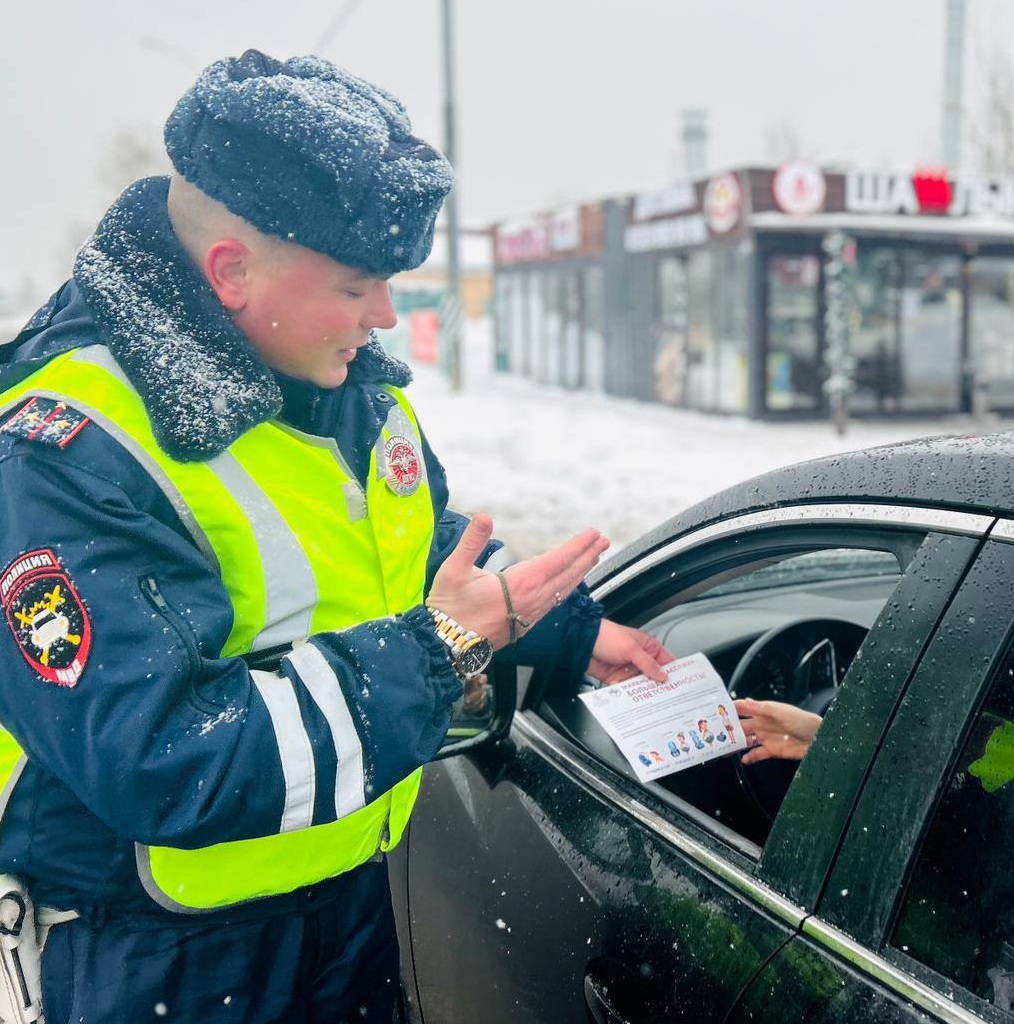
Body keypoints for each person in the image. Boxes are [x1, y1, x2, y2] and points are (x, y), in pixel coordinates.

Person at [0, 51, 672, 1022]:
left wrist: (557, 627)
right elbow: (165, 756)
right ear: (231, 271)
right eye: (360, 284)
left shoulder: (339, 387)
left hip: (347, 898)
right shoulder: (66, 449)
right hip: (158, 956)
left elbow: (394, 551)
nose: (387, 314)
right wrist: (443, 649)